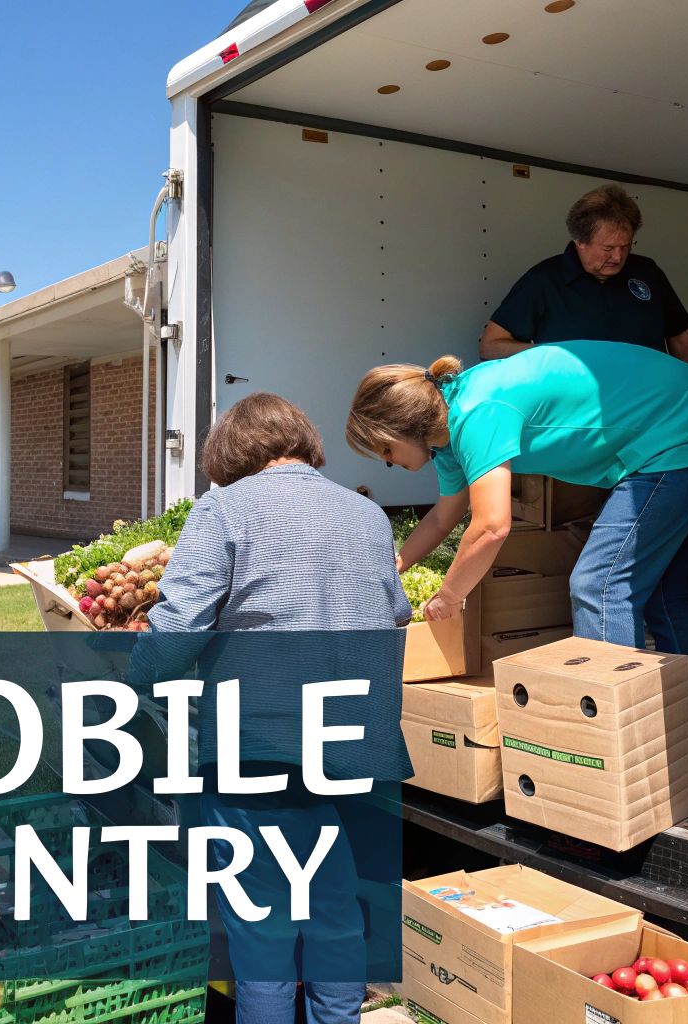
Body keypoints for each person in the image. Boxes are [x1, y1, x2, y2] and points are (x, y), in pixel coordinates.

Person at [345, 342, 688, 777]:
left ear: (403, 430)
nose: (386, 463)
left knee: (598, 585)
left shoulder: (478, 411)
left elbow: (491, 526)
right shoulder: (449, 434)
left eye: (383, 451)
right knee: (666, 593)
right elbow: (442, 518)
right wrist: (390, 568)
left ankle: (613, 768)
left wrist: (450, 596)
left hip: (685, 434)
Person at [149, 392, 411, 1024]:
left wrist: (131, 677)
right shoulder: (367, 515)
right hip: (355, 746)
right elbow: (396, 612)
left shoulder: (223, 509)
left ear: (230, 455)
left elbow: (179, 625)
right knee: (333, 906)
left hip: (262, 744)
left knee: (261, 916)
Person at [480, 184, 688, 371]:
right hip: (579, 409)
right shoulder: (544, 279)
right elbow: (491, 346)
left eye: (626, 246)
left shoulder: (647, 271)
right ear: (579, 241)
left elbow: (683, 338)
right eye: (608, 248)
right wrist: (552, 353)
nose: (618, 257)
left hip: (648, 403)